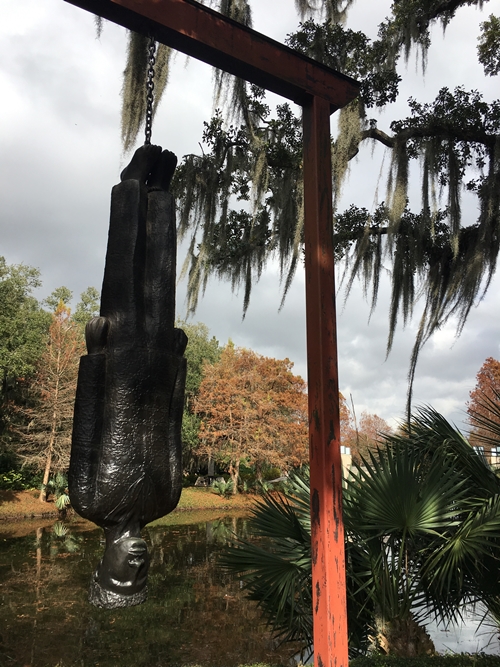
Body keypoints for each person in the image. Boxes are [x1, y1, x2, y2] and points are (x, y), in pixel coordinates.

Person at [69, 145, 187, 608]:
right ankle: (162, 196)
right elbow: (173, 427)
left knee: (124, 268)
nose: (137, 564)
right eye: (142, 575)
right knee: (161, 278)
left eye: (123, 576)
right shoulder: (166, 500)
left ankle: (132, 185)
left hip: (116, 363)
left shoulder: (89, 501)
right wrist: (178, 366)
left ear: (104, 564)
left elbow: (87, 426)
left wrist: (94, 357)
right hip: (158, 368)